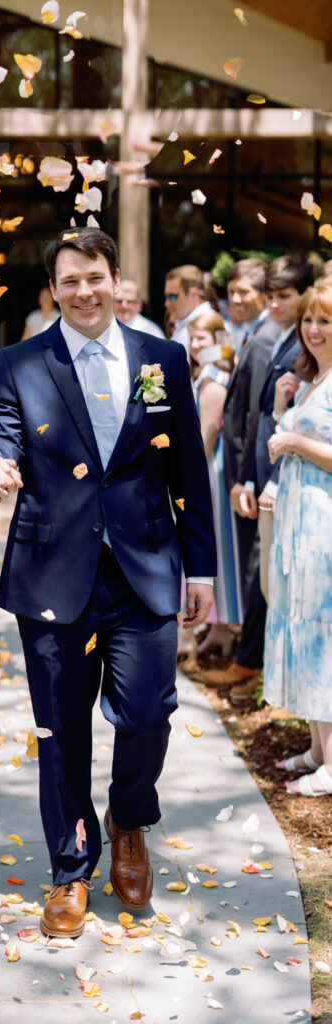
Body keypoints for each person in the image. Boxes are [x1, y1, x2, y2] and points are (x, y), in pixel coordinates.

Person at [0, 227, 216, 933]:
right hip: (53, 574)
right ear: (53, 288)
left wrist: (200, 566)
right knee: (60, 730)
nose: (83, 291)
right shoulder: (19, 361)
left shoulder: (161, 359)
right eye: (69, 280)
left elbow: (185, 470)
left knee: (145, 713)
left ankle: (129, 821)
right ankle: (70, 868)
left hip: (146, 569)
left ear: (114, 279)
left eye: (94, 277)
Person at [263, 281, 332, 796]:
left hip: (324, 522)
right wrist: (283, 406)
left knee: (323, 632)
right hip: (297, 518)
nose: (313, 330)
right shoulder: (313, 379)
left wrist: (291, 439)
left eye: (324, 321)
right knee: (301, 625)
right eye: (308, 321)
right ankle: (316, 747)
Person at [203, 259, 280, 695]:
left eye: (245, 291)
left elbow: (257, 419)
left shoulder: (266, 338)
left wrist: (246, 478)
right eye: (231, 291)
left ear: (265, 293)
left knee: (256, 570)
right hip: (246, 473)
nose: (236, 299)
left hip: (254, 474)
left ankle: (249, 663)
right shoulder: (249, 336)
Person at [253, 257, 314, 605]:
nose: (274, 305)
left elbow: (305, 428)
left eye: (284, 297)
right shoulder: (283, 335)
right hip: (270, 475)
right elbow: (267, 415)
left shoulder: (305, 347)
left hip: (293, 484)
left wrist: (275, 481)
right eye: (270, 296)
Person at [187, 312, 242, 656]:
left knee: (217, 545)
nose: (196, 346)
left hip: (209, 468)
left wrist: (191, 476)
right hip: (205, 465)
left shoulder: (214, 377)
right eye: (192, 339)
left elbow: (207, 431)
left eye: (203, 340)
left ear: (219, 341)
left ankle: (223, 624)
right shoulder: (204, 373)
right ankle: (217, 626)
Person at [164, 265, 213, 357]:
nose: (167, 303)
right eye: (166, 297)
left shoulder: (210, 324)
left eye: (173, 297)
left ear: (194, 294)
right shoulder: (186, 324)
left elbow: (212, 369)